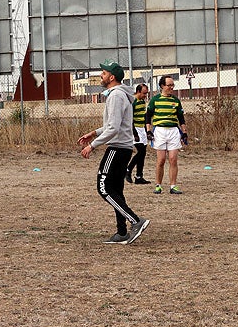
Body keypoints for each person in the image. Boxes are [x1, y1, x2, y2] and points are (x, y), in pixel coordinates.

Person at [77, 60, 150, 245]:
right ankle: (122, 232)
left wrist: (92, 145)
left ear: (112, 77)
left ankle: (135, 221)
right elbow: (112, 125)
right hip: (123, 148)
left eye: (103, 73)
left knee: (104, 189)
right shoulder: (119, 95)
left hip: (117, 148)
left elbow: (114, 129)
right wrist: (93, 132)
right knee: (116, 190)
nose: (101, 76)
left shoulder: (116, 96)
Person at [146, 75, 188, 195]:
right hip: (160, 131)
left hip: (173, 131)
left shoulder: (175, 101)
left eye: (172, 85)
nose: (171, 87)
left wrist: (184, 133)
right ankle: (158, 185)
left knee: (173, 159)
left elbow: (181, 118)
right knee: (161, 160)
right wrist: (148, 131)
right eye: (169, 85)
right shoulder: (155, 100)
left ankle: (173, 186)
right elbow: (148, 116)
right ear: (162, 86)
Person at [126, 83, 152, 185]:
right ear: (138, 92)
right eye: (144, 93)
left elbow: (144, 117)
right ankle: (128, 170)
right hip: (135, 129)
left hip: (142, 129)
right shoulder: (133, 102)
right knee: (140, 152)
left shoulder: (142, 101)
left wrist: (147, 130)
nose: (145, 96)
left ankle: (139, 176)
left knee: (143, 153)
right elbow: (129, 118)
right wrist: (135, 133)